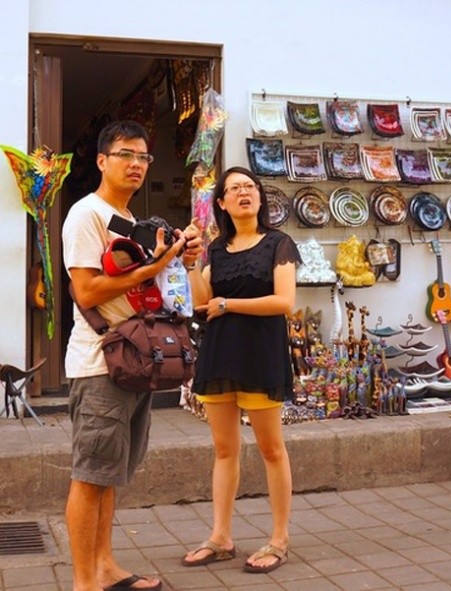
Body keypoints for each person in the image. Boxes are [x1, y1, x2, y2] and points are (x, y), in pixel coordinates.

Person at [62, 120, 203, 591]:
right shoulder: (87, 215)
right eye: (127, 155)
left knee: (111, 475)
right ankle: (85, 582)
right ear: (102, 160)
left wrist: (179, 259)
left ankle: (105, 567)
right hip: (100, 362)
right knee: (90, 476)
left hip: (134, 361)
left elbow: (154, 288)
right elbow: (85, 289)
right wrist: (159, 263)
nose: (137, 165)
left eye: (144, 157)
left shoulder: (133, 222)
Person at [182, 166, 301, 574]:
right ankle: (220, 537)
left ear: (260, 197)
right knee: (223, 449)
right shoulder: (215, 249)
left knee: (271, 449)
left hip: (261, 354)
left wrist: (230, 305)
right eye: (235, 189)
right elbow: (203, 302)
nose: (244, 193)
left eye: (250, 186)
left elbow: (284, 302)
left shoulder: (278, 244)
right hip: (219, 355)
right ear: (221, 203)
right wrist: (190, 266)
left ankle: (279, 539)